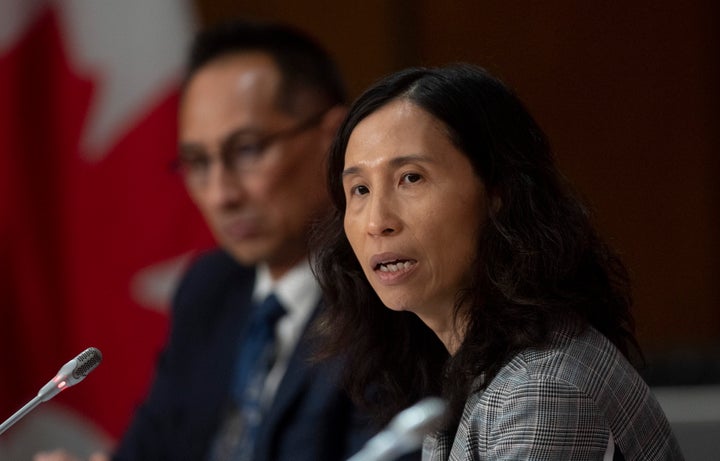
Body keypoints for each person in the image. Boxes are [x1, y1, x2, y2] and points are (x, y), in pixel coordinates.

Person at [35, 19, 375, 461]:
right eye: (197, 162)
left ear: (334, 138)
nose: (221, 194)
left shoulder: (386, 298)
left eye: (248, 150)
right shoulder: (210, 290)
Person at [310, 63, 685, 460]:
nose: (376, 222)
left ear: (498, 193)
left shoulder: (541, 390)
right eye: (360, 189)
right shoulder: (467, 371)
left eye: (411, 178)